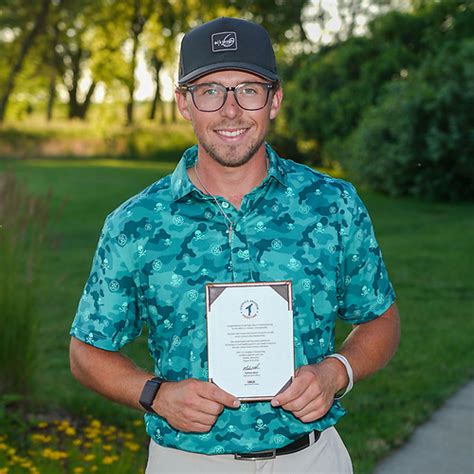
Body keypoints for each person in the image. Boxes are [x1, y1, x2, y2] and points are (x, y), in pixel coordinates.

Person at [69, 17, 400, 473]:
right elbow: (86, 350)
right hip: (187, 461)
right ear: (184, 103)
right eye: (210, 91)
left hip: (310, 458)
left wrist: (336, 371)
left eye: (248, 89)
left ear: (274, 100)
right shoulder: (136, 224)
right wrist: (156, 394)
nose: (230, 110)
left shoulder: (332, 204)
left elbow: (380, 318)